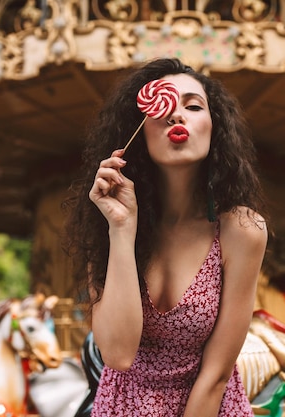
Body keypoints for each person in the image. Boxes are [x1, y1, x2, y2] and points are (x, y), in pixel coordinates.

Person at [63, 57, 269, 416]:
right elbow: (117, 354)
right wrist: (122, 231)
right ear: (140, 128)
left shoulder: (241, 230)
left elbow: (217, 374)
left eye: (193, 105)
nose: (177, 116)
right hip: (122, 406)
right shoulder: (107, 220)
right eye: (165, 106)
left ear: (213, 125)